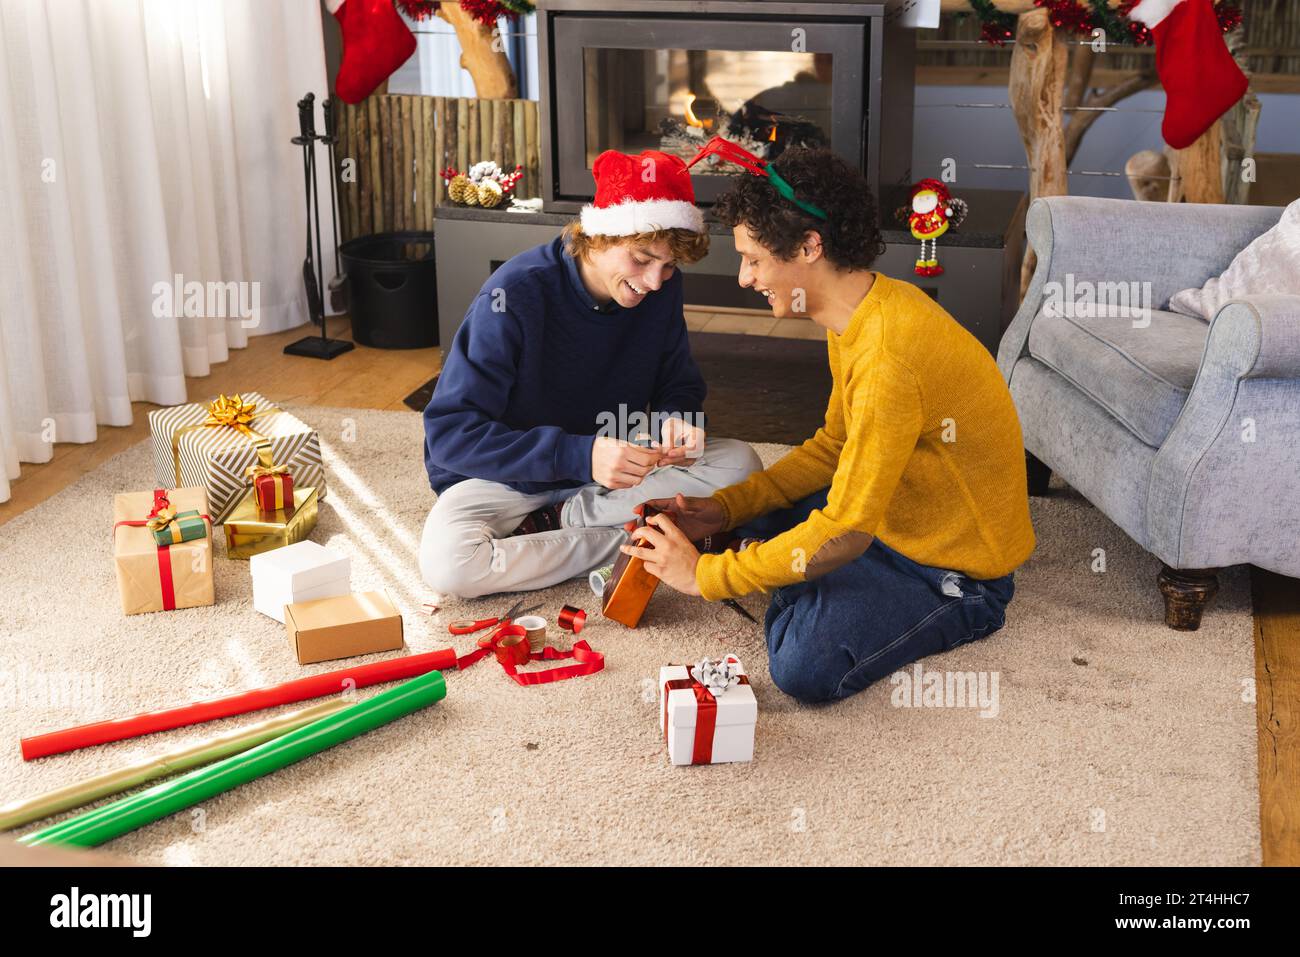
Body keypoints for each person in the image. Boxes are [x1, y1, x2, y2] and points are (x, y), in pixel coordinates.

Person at [620, 145, 1036, 703]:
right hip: (888, 514)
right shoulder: (864, 311)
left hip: (950, 567)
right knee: (763, 523)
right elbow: (832, 448)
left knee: (803, 666)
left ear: (810, 246)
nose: (743, 279)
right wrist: (724, 509)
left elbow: (845, 529)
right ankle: (802, 571)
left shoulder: (888, 355)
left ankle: (831, 586)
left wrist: (705, 579)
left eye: (754, 259)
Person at [420, 148, 763, 598]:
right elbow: (450, 435)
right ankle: (657, 543)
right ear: (598, 237)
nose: (655, 282)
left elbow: (677, 382)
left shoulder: (658, 288)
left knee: (743, 464)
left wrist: (677, 418)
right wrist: (579, 455)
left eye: (669, 266)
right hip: (507, 479)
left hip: (612, 471)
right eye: (641, 260)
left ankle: (562, 524)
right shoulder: (514, 293)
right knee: (451, 568)